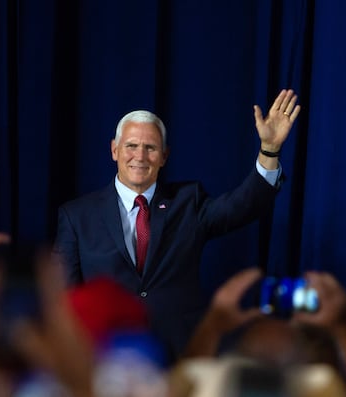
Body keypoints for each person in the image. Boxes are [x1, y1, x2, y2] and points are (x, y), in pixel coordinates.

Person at [52, 89, 301, 360]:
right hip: (106, 356)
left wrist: (270, 150)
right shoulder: (77, 215)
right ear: (114, 150)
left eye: (150, 148)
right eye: (131, 146)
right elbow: (62, 294)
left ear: (164, 156)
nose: (140, 156)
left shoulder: (188, 201)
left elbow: (241, 207)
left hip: (181, 352)